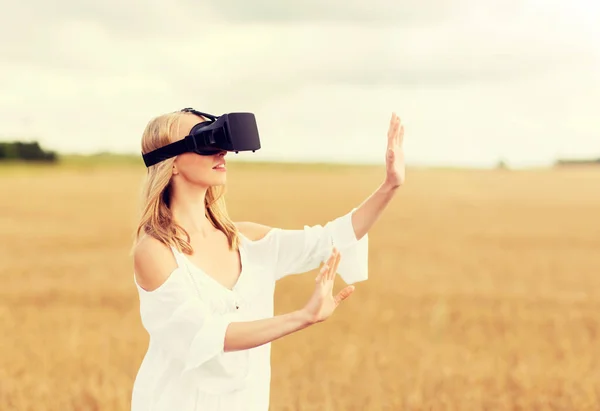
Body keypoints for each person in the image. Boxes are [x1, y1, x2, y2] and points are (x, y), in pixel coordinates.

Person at [130, 108, 406, 411]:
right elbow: (206, 334)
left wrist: (389, 186)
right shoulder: (154, 251)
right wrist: (302, 316)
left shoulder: (248, 242)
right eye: (205, 140)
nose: (221, 150)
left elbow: (330, 240)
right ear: (171, 163)